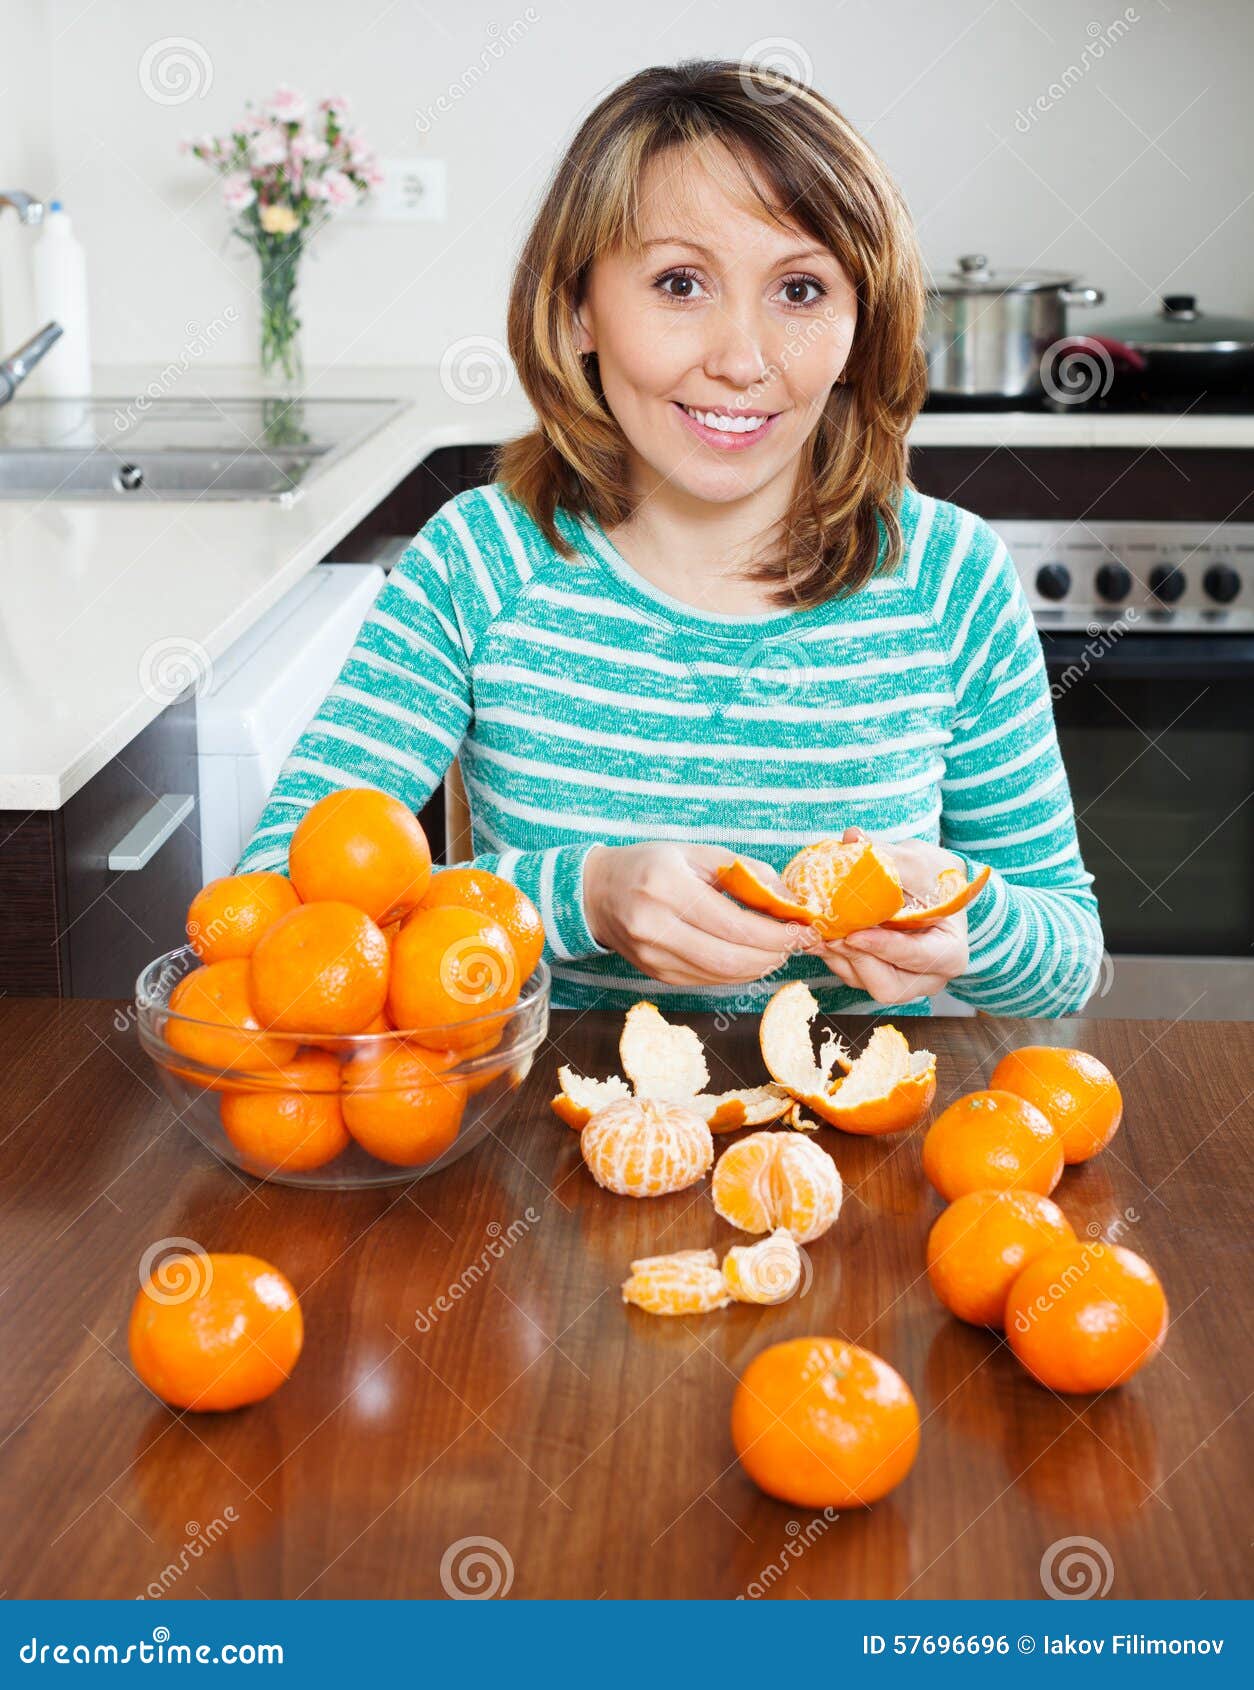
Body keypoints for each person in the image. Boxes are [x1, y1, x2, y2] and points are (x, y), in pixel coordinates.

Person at [237, 59, 1103, 1018]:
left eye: (802, 291)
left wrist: (961, 929)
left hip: (847, 1151)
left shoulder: (951, 580)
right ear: (577, 312)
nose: (741, 360)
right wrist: (586, 899)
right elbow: (277, 906)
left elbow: (1068, 957)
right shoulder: (478, 562)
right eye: (681, 282)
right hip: (545, 1143)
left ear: (861, 325)